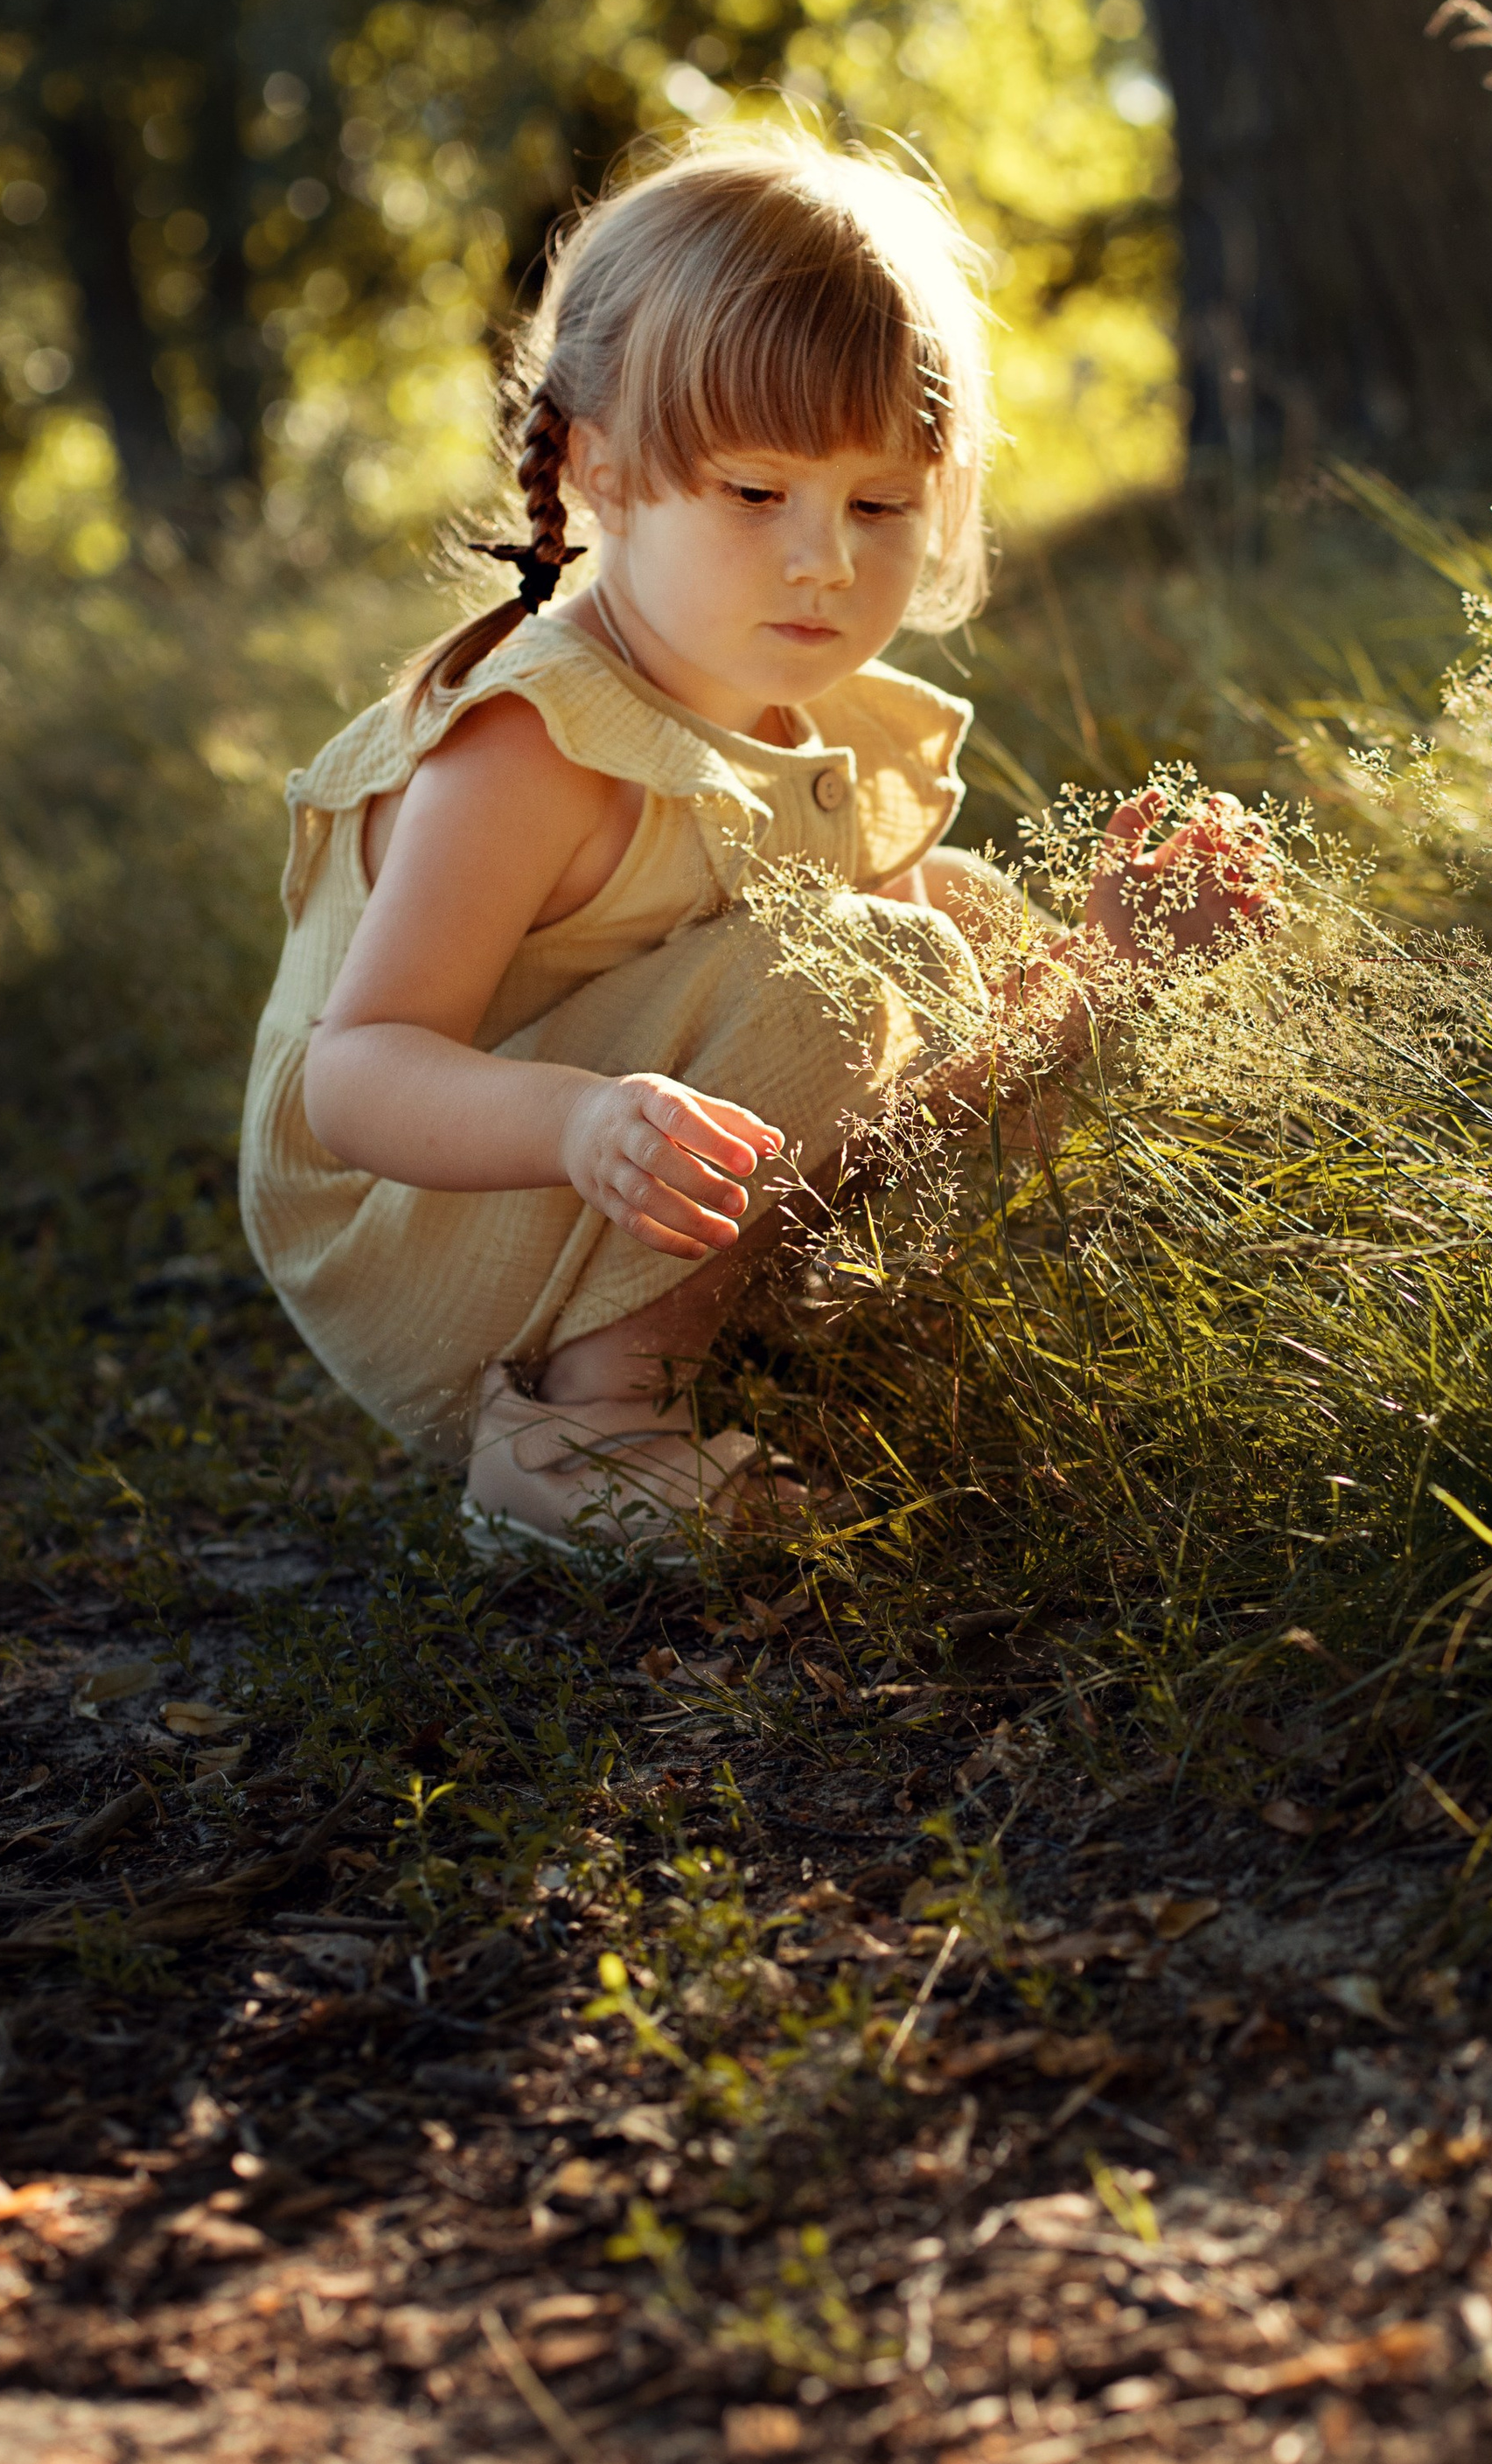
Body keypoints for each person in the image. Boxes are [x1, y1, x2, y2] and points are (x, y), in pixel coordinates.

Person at [241, 124, 1272, 1560]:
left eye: (880, 503)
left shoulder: (815, 709)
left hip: (609, 1191)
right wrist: (578, 1122)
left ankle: (807, 1311)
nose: (825, 561)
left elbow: (931, 1032)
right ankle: (582, 1430)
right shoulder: (537, 745)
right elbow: (353, 1081)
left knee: (955, 927)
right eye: (754, 492)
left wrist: (1106, 973)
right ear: (598, 473)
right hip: (419, 1232)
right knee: (851, 969)